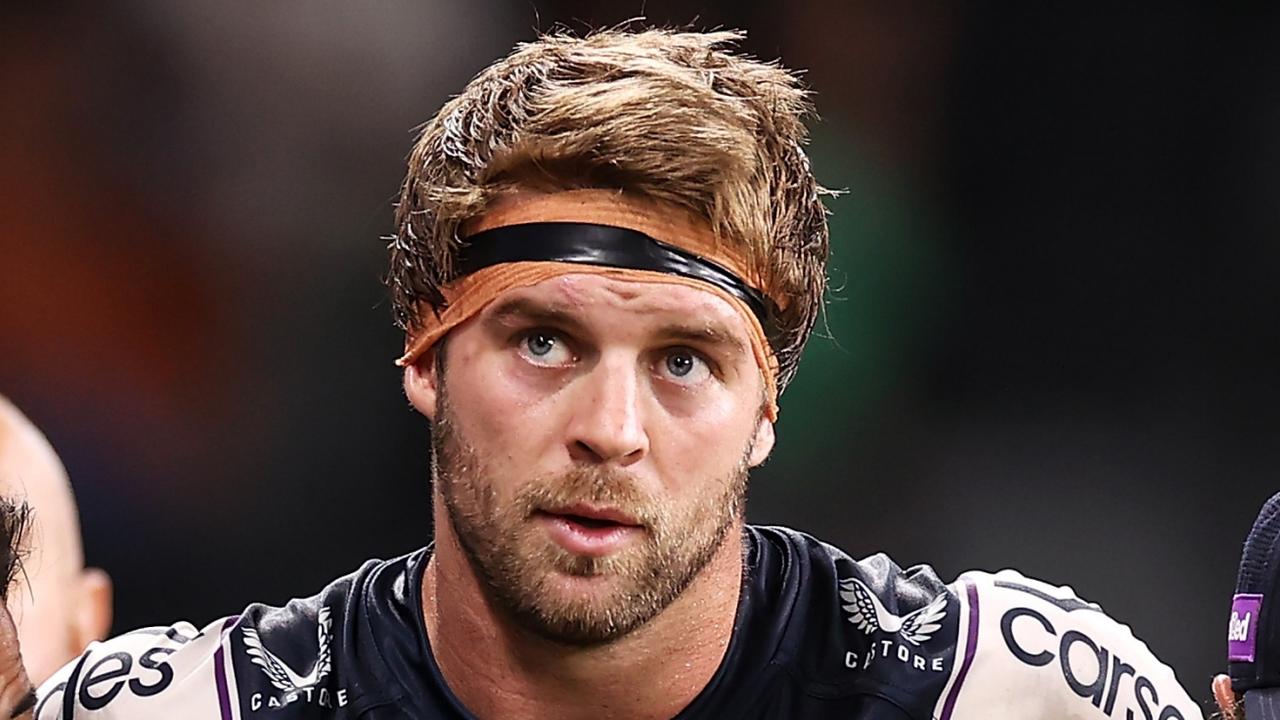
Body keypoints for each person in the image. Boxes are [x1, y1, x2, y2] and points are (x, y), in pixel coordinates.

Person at [10, 28, 1203, 719]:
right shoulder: (192, 711)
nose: (611, 430)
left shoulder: (1004, 694)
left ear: (767, 407)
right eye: (544, 341)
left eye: (683, 361)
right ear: (424, 354)